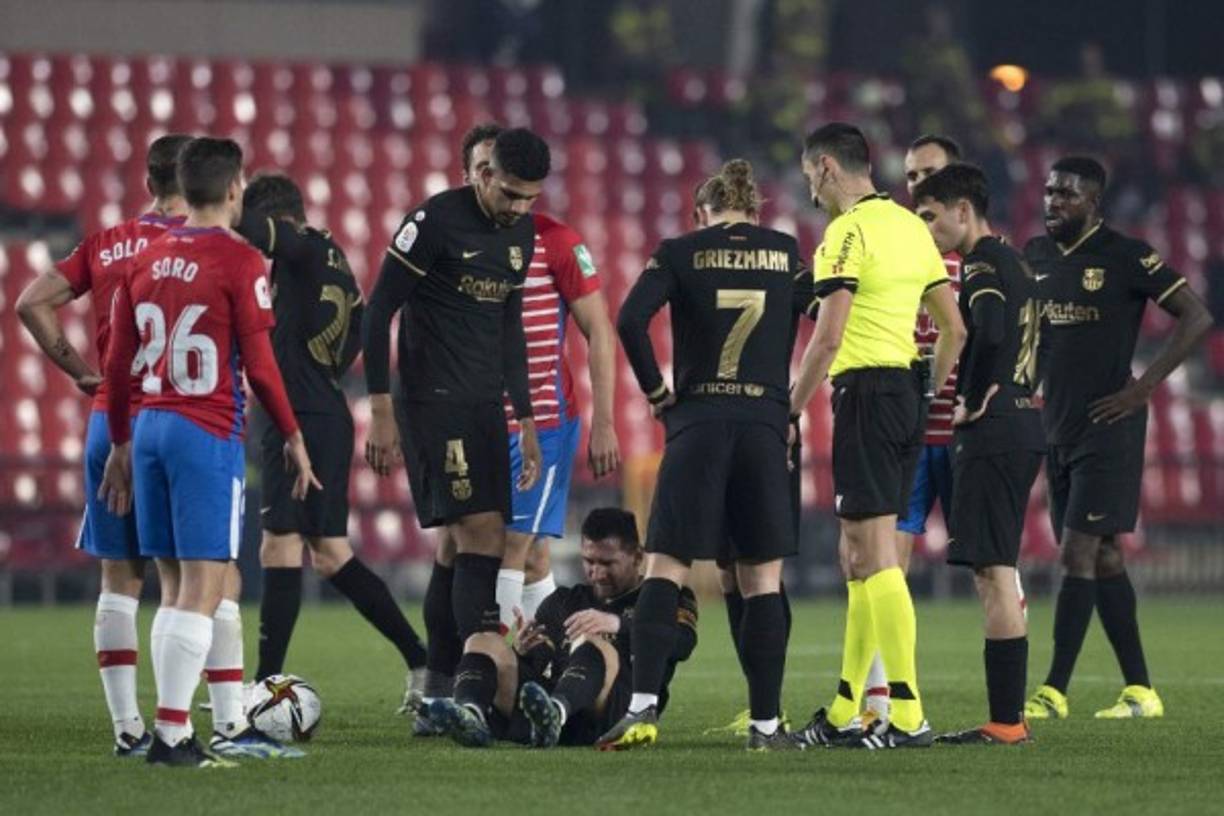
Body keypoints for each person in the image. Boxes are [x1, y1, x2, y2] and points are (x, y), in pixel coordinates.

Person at [99, 137, 318, 767]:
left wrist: (119, 442)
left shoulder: (145, 257)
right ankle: (172, 735)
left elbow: (116, 364)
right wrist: (294, 437)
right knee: (207, 582)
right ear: (233, 190)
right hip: (205, 430)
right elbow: (264, 368)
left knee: (172, 585)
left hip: (149, 429)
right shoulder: (241, 261)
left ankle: (174, 733)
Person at [412, 125, 621, 728]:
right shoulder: (447, 240)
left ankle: (493, 694)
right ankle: (472, 684)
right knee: (470, 551)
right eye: (479, 170)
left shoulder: (555, 242)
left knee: (510, 549)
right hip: (467, 417)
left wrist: (605, 419)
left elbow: (599, 330)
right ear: (471, 175)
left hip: (541, 422)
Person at [598, 159, 807, 752]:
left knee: (667, 567)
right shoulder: (787, 252)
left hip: (698, 421)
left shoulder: (681, 250)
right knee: (761, 577)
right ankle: (766, 726)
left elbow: (631, 319)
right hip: (765, 424)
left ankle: (640, 709)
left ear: (701, 212)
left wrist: (658, 393)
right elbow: (830, 315)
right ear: (756, 209)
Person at [362, 128, 549, 716]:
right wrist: (381, 410)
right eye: (511, 194)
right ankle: (480, 690)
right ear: (484, 173)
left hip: (484, 402)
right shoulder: (434, 222)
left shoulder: (522, 233)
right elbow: (377, 313)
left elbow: (509, 327)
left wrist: (525, 415)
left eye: (530, 198)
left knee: (452, 547)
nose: (519, 208)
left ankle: (438, 687)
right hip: (432, 400)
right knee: (484, 535)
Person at [790, 123, 966, 749]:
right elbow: (954, 329)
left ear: (829, 167)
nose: (811, 190)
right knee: (863, 557)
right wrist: (924, 394)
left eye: (812, 176)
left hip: (864, 394)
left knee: (875, 556)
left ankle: (908, 714)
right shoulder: (911, 229)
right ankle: (844, 710)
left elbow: (829, 336)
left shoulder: (846, 233)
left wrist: (790, 409)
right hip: (904, 396)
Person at [15, 134, 191, 757]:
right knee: (191, 579)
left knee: (119, 580)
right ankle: (194, 725)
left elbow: (31, 302)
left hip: (108, 419)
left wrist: (75, 370)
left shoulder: (107, 243)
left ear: (148, 183)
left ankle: (127, 729)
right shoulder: (201, 249)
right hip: (178, 422)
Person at [1023, 157, 1212, 721]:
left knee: (1076, 551)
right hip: (1056, 424)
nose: (1054, 201)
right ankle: (1141, 690)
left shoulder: (1127, 257)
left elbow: (1196, 316)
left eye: (1068, 195)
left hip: (1111, 424)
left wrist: (1143, 388)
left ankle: (1053, 690)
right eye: (1051, 190)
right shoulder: (1033, 254)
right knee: (1103, 555)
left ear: (1094, 203)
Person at [233, 173, 429, 710]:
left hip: (297, 415)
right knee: (328, 554)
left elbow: (268, 234)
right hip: (323, 409)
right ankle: (420, 659)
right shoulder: (332, 260)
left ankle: (262, 686)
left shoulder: (300, 247)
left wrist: (217, 208)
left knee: (281, 545)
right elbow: (362, 330)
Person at [913, 163, 1045, 745]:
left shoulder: (983, 261)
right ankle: (1008, 718)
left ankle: (1006, 722)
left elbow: (984, 328)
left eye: (930, 216)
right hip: (1020, 423)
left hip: (994, 435)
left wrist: (968, 395)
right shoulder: (1016, 260)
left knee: (993, 575)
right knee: (997, 571)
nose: (927, 228)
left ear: (962, 210)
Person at [426, 508, 697, 749]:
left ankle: (556, 713)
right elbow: (543, 659)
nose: (596, 573)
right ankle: (470, 714)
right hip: (543, 710)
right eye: (589, 561)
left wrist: (619, 624)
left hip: (609, 716)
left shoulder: (664, 598)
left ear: (638, 556)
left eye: (607, 563)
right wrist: (523, 651)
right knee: (483, 640)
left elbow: (682, 643)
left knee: (591, 642)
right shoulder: (564, 601)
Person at [856, 133, 964, 726]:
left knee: (996, 564)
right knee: (885, 561)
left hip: (966, 429)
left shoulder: (976, 256)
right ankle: (882, 701)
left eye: (930, 173)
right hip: (911, 431)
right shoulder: (895, 245)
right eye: (911, 174)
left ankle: (1016, 702)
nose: (918, 183)